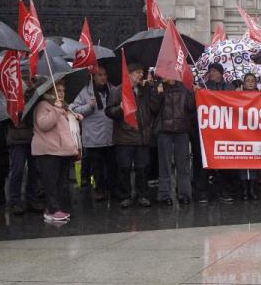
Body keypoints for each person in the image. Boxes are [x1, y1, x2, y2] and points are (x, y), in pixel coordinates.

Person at [106, 61, 159, 208]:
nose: (140, 75)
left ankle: (142, 195)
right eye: (137, 73)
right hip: (124, 137)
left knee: (143, 167)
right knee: (124, 168)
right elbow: (109, 111)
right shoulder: (118, 91)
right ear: (129, 74)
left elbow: (155, 107)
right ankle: (126, 196)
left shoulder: (144, 90)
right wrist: (120, 108)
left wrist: (152, 88)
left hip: (142, 136)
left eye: (141, 72)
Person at [31, 77, 77, 222]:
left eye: (63, 90)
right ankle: (52, 210)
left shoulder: (62, 106)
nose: (62, 93)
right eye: (58, 90)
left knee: (60, 182)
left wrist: (74, 117)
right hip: (48, 150)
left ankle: (54, 208)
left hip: (62, 150)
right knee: (50, 183)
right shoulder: (44, 105)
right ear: (50, 91)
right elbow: (43, 124)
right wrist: (56, 110)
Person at [71, 67, 117, 202]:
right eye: (99, 75)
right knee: (97, 167)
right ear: (93, 76)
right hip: (93, 138)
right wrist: (89, 106)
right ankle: (100, 190)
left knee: (112, 166)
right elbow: (74, 109)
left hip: (110, 136)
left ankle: (113, 189)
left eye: (105, 74)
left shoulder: (113, 89)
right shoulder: (85, 91)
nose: (103, 77)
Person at [154, 75, 196, 205]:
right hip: (164, 131)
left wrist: (191, 91)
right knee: (164, 165)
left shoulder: (184, 87)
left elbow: (191, 107)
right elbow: (153, 109)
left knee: (183, 165)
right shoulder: (158, 86)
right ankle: (164, 194)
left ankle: (184, 194)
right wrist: (159, 93)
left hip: (181, 130)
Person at [196, 63, 234, 204]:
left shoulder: (230, 88)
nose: (211, 73)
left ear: (220, 72)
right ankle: (203, 192)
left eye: (213, 71)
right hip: (208, 132)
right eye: (210, 71)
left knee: (225, 163)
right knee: (205, 163)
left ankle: (225, 190)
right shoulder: (204, 87)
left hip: (226, 131)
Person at [5, 77, 41, 215]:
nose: (29, 82)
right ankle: (15, 201)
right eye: (25, 79)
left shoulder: (37, 94)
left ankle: (31, 198)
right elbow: (6, 116)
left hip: (33, 137)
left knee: (34, 170)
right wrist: (13, 121)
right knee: (17, 169)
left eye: (32, 79)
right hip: (17, 139)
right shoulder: (12, 94)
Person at [236, 72, 261, 200]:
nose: (250, 83)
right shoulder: (238, 94)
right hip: (242, 133)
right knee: (243, 160)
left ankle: (252, 188)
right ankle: (245, 189)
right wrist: (237, 94)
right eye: (248, 81)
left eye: (253, 80)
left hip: (256, 133)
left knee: (254, 160)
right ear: (244, 83)